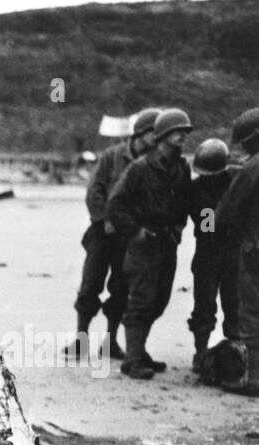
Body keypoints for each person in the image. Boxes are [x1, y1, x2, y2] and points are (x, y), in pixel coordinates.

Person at [68, 108, 162, 362]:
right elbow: (94, 191)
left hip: (129, 236)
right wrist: (104, 219)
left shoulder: (152, 163)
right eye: (154, 133)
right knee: (90, 285)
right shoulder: (111, 156)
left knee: (121, 289)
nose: (156, 140)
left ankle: (110, 342)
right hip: (103, 233)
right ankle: (81, 339)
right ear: (140, 133)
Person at [106, 107, 194, 379]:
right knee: (141, 301)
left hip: (167, 242)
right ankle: (133, 359)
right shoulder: (140, 168)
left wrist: (182, 226)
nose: (183, 136)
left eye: (185, 132)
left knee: (159, 301)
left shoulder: (181, 167)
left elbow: (187, 201)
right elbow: (115, 204)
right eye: (178, 132)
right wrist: (136, 232)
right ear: (164, 135)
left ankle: (138, 351)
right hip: (144, 245)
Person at [187, 138, 240, 375]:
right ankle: (201, 350)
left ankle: (236, 350)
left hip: (233, 254)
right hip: (208, 253)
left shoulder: (238, 181)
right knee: (204, 305)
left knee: (234, 303)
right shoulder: (196, 190)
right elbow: (207, 225)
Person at [216, 108, 259, 396]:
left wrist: (206, 229)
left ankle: (254, 377)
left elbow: (223, 215)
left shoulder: (252, 168)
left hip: (254, 249)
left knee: (252, 314)